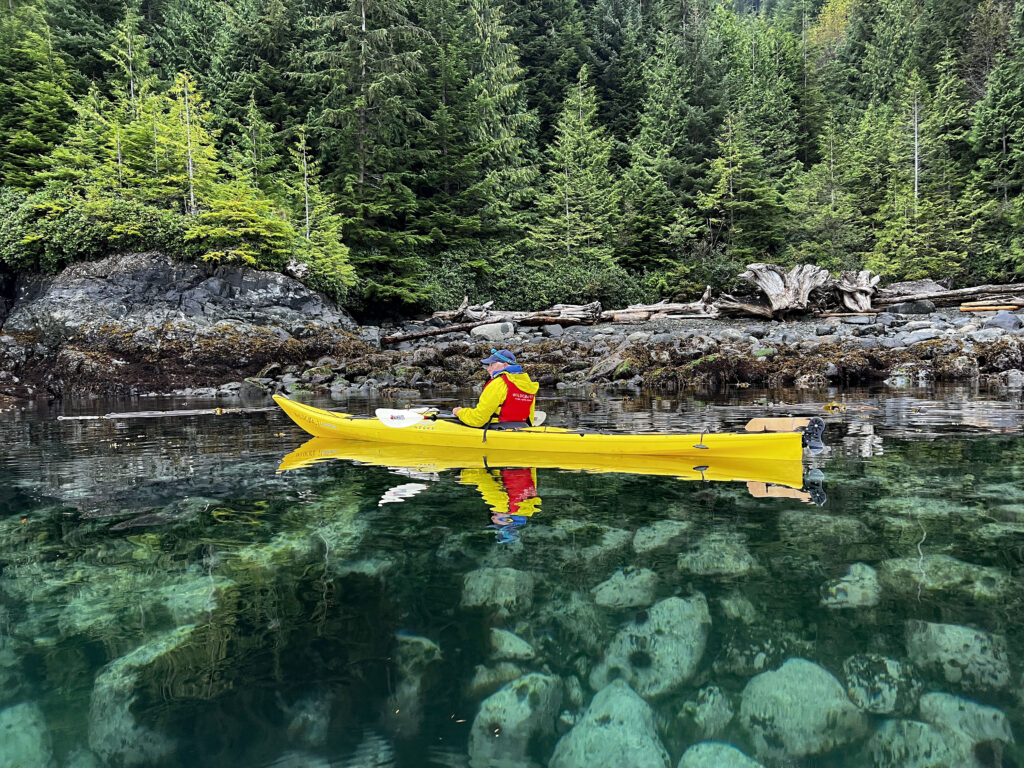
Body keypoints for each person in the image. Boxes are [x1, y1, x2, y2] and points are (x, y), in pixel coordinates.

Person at [452, 349, 539, 427]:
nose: (488, 369)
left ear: (504, 365)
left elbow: (478, 419)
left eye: (492, 365)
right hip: (521, 427)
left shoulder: (498, 384)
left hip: (497, 429)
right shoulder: (528, 384)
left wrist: (460, 412)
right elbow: (530, 419)